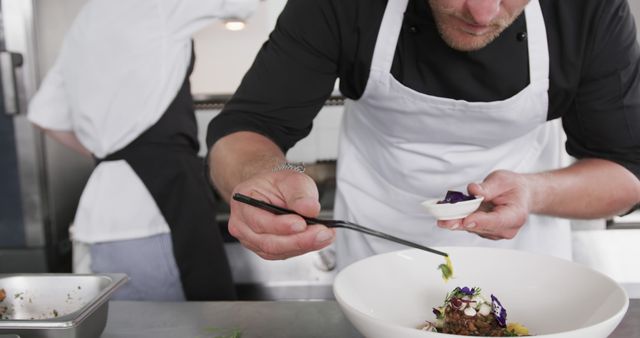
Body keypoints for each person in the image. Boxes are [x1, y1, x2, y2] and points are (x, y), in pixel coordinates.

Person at [206, 0, 640, 269]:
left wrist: (533, 192)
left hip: (526, 267)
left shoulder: (590, 9)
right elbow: (246, 130)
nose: (483, 12)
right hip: (377, 263)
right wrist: (260, 177)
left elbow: (627, 171)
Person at [27, 0, 257, 300]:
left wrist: (112, 154)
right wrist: (144, 154)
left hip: (97, 218)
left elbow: (44, 116)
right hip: (154, 214)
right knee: (190, 327)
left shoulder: (85, 20)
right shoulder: (158, 5)